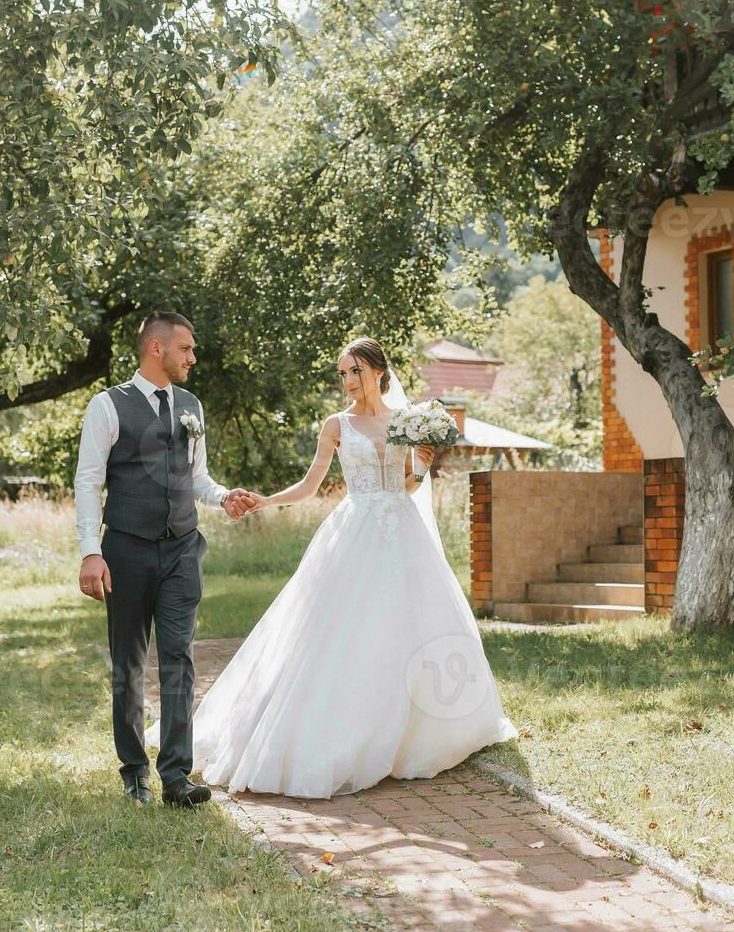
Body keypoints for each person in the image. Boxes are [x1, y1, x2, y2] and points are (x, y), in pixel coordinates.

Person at [147, 336, 519, 798]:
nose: (347, 381)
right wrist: (266, 500)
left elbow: (406, 486)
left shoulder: (407, 422)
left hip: (402, 531)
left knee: (412, 625)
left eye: (355, 371)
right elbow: (310, 484)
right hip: (354, 529)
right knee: (342, 628)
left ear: (379, 372)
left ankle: (413, 734)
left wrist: (422, 466)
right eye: (342, 372)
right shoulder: (337, 424)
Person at [73, 311, 256, 807]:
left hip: (181, 549)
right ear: (156, 348)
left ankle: (176, 775)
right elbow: (89, 482)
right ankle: (134, 772)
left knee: (179, 658)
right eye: (186, 349)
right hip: (126, 549)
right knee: (129, 662)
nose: (193, 358)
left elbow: (198, 477)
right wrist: (91, 552)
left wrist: (223, 497)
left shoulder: (191, 405)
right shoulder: (108, 406)